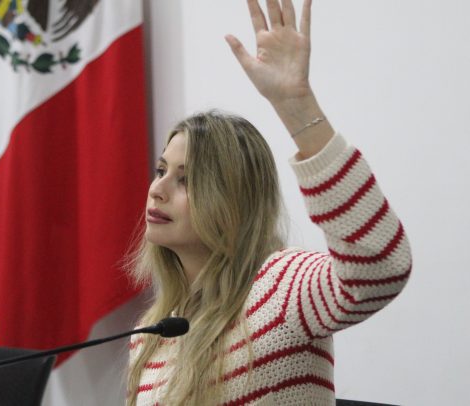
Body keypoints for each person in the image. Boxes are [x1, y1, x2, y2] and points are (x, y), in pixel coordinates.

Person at [126, 1, 412, 405]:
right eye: (161, 171)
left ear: (234, 200)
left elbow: (380, 267)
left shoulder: (280, 288)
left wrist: (297, 106)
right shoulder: (153, 333)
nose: (158, 190)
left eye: (186, 179)